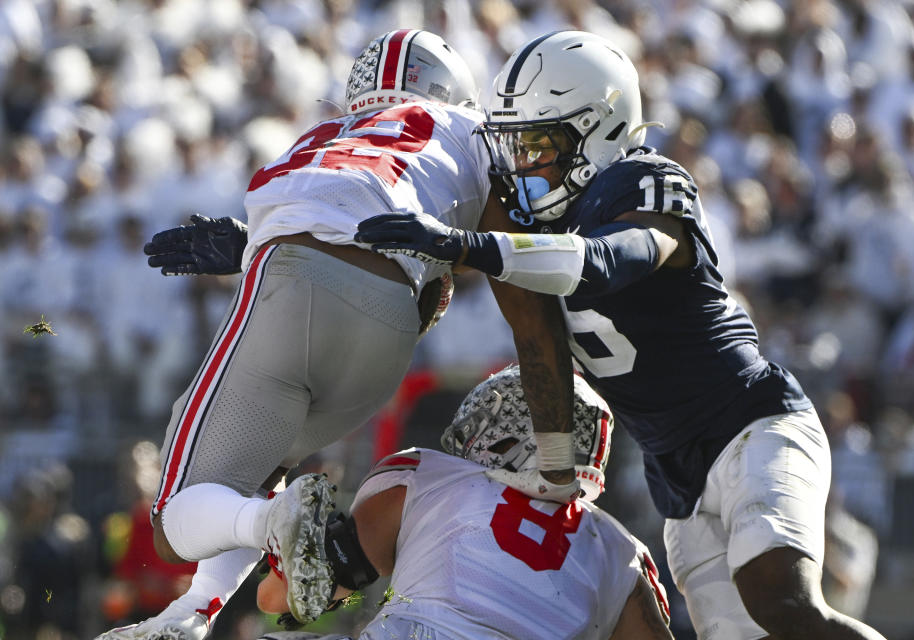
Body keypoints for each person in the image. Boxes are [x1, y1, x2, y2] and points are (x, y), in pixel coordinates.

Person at [354, 31, 889, 640]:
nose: (521, 165)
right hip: (675, 478)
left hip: (750, 426)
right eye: (513, 147)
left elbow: (609, 259)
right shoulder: (534, 221)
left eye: (538, 145)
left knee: (786, 606)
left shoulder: (642, 180)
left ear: (598, 129)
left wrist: (469, 245)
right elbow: (539, 341)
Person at [98, 30, 577, 640]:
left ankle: (271, 522)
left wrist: (251, 243)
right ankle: (193, 614)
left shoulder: (321, 136)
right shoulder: (475, 140)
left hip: (292, 289)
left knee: (175, 521)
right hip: (389, 337)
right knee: (248, 483)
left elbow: (325, 211)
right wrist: (559, 470)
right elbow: (533, 322)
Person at [255, 366, 673, 640]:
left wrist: (270, 533)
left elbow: (280, 600)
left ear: (513, 433)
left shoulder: (430, 474)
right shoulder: (622, 550)